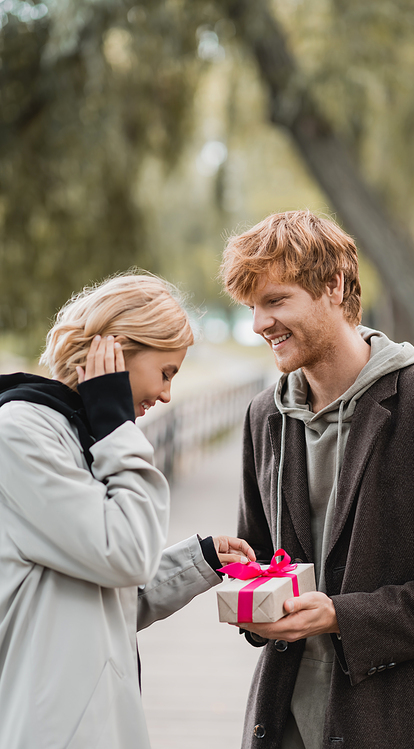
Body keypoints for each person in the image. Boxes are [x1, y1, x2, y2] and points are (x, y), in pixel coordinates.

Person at [219, 210, 414, 749]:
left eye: (276, 301)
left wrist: (342, 617)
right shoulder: (264, 417)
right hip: (283, 724)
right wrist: (249, 601)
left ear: (334, 285)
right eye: (253, 307)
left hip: (401, 727)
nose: (259, 324)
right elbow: (258, 560)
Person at [0, 272, 255, 749]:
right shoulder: (21, 436)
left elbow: (103, 594)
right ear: (116, 352)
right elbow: (126, 555)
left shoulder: (78, 435)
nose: (166, 396)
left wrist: (198, 560)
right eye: (166, 372)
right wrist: (119, 430)